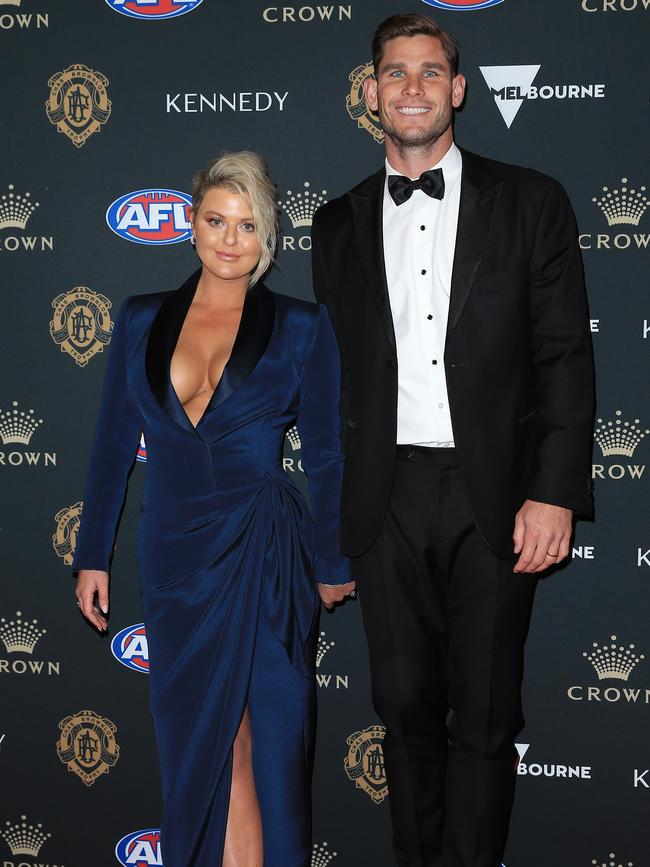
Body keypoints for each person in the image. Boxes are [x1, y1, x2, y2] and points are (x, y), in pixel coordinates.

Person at [311, 14, 594, 867]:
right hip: (385, 497)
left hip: (498, 497)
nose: (411, 88)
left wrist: (554, 491)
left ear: (458, 89)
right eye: (394, 73)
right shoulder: (337, 223)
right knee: (401, 708)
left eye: (429, 72)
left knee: (483, 713)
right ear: (370, 93)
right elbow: (332, 388)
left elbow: (565, 357)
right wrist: (331, 527)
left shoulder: (532, 200)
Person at [73, 151, 355, 867]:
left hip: (262, 553)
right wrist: (91, 555)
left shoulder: (300, 327)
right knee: (202, 748)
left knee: (262, 746)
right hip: (173, 560)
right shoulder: (140, 320)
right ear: (190, 226)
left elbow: (325, 456)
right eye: (216, 220)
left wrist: (331, 558)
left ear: (268, 239)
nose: (231, 239)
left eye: (249, 224)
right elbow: (112, 446)